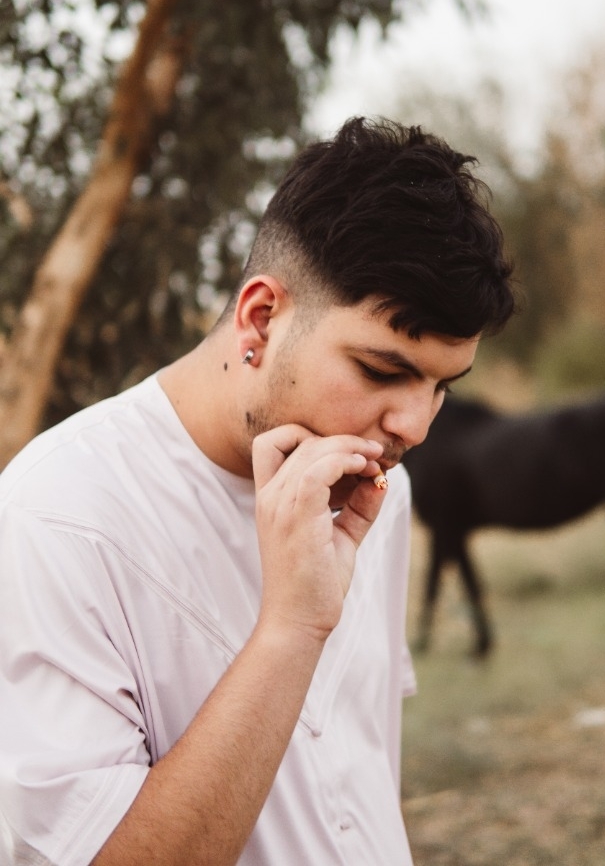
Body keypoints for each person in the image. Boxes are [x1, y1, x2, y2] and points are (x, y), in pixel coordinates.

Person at [0, 116, 514, 866]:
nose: (414, 425)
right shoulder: (56, 518)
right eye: (382, 370)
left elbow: (353, 767)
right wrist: (292, 629)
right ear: (261, 319)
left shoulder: (379, 486)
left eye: (442, 386)